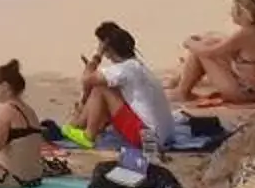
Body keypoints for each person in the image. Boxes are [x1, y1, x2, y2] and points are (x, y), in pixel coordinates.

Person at [77, 21, 183, 152]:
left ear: (107, 49)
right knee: (109, 88)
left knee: (101, 88)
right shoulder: (137, 67)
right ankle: (81, 125)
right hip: (165, 136)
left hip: (149, 140)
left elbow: (86, 80)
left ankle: (87, 134)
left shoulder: (123, 70)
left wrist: (97, 56)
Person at [170, 0, 255, 104]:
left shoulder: (246, 33)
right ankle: (182, 88)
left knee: (200, 53)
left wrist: (189, 43)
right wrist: (207, 40)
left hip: (246, 94)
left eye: (233, 10)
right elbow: (230, 47)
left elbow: (209, 52)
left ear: (241, 13)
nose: (230, 13)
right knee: (209, 41)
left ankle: (182, 92)